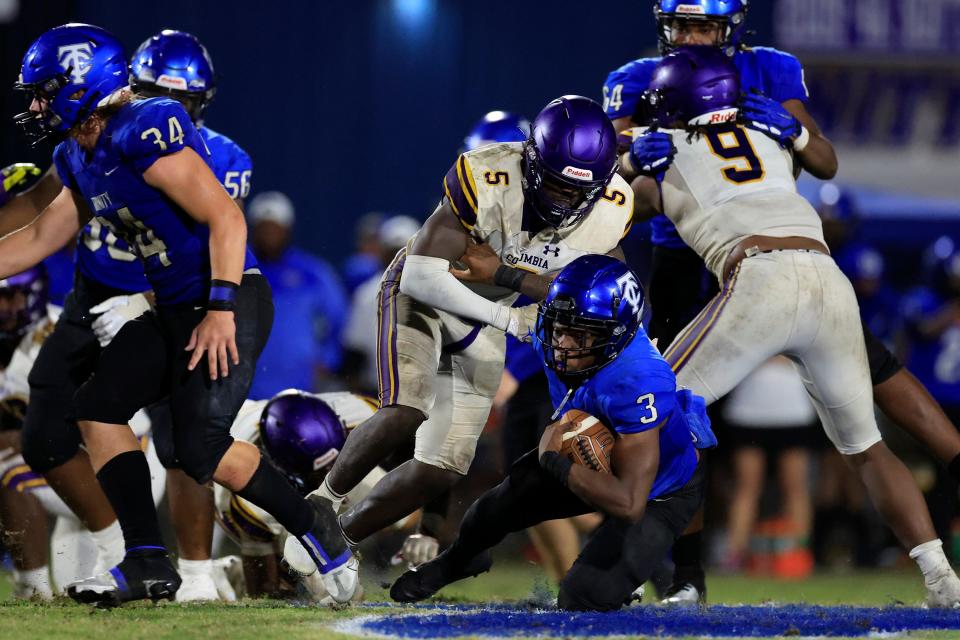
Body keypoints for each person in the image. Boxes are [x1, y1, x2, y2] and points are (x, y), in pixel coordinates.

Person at [3, 23, 354, 606]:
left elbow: (226, 219)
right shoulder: (78, 154)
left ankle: (312, 519)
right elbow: (42, 234)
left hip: (229, 296)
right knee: (97, 408)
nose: (36, 106)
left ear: (82, 85)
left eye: (45, 91)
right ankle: (144, 560)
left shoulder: (143, 128)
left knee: (198, 448)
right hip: (173, 306)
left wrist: (218, 308)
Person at [622, 46, 960, 607]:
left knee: (648, 409)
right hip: (828, 279)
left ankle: (635, 570)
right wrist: (797, 135)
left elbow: (620, 209)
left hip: (759, 279)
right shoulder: (771, 138)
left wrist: (631, 163)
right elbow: (821, 160)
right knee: (867, 448)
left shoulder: (669, 151)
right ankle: (942, 578)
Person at [306, 96, 634, 563]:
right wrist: (511, 309)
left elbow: (593, 296)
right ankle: (319, 504)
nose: (564, 201)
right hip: (422, 294)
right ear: (532, 160)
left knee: (444, 466)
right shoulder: (487, 175)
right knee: (408, 407)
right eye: (557, 185)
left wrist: (508, 278)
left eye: (577, 191)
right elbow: (422, 273)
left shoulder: (613, 208)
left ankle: (332, 542)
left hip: (488, 312)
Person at [390, 255, 715, 610]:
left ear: (617, 333)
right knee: (498, 504)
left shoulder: (639, 379)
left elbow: (628, 502)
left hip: (657, 490)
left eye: (580, 333)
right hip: (597, 457)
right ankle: (457, 561)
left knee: (584, 596)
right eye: (561, 327)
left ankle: (671, 575)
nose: (563, 342)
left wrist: (553, 460)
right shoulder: (556, 331)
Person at [0, 267, 170, 597]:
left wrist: (19, 435)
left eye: (10, 296)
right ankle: (221, 576)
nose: (4, 309)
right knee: (78, 588)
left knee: (8, 469)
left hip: (128, 454)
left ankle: (31, 591)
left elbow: (75, 419)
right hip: (77, 464)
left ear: (32, 293)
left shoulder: (58, 334)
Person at [214, 390, 384, 601]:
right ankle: (227, 574)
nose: (330, 475)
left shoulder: (366, 414)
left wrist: (426, 529)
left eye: (334, 464)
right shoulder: (244, 492)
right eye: (320, 472)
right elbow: (264, 589)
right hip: (228, 452)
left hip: (288, 426)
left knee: (398, 507)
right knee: (315, 589)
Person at [246, 191, 348, 398]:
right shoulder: (236, 266)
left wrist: (328, 359)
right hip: (244, 381)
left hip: (299, 382)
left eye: (275, 228)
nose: (269, 234)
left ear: (287, 230)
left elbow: (339, 317)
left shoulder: (313, 271)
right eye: (264, 227)